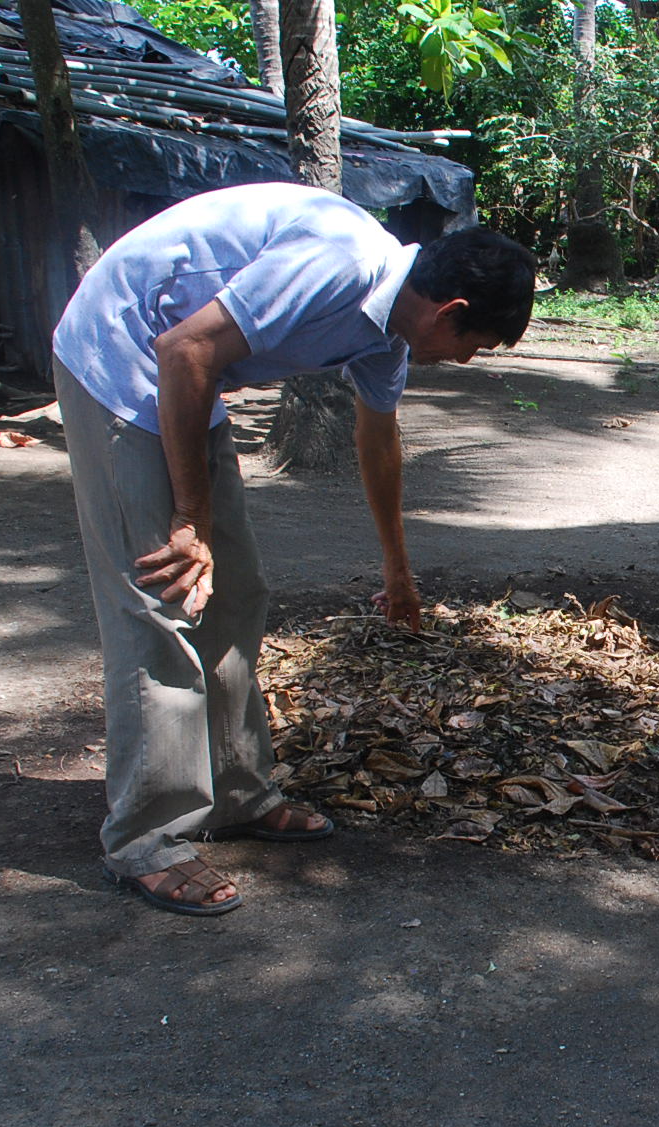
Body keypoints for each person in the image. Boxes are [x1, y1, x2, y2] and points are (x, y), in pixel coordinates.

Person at [52, 181, 536, 916]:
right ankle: (146, 837)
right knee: (163, 596)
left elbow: (378, 440)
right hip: (125, 356)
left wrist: (398, 571)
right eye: (476, 345)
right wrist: (189, 520)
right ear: (451, 311)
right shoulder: (341, 263)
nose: (467, 360)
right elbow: (184, 348)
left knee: (236, 590)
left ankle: (238, 794)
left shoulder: (387, 333)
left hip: (189, 374)